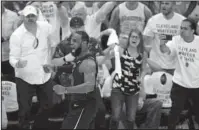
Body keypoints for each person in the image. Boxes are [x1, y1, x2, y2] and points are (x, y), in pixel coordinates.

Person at [9, 5, 57, 129]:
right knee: (24, 109)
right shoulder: (16, 35)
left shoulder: (46, 27)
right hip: (25, 76)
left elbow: (53, 44)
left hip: (43, 74)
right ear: (23, 18)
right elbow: (12, 57)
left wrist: (49, 61)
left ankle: (38, 127)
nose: (31, 18)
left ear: (36, 16)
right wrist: (17, 63)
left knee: (48, 105)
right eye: (28, 16)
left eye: (32, 16)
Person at [48, 31, 98, 129]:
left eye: (75, 41)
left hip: (85, 104)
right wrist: (55, 68)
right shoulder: (80, 58)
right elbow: (75, 68)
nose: (71, 44)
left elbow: (89, 86)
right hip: (78, 102)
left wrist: (65, 90)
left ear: (84, 43)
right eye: (71, 41)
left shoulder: (88, 62)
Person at [101, 28, 147, 129]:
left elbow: (144, 69)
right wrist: (110, 49)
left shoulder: (142, 55)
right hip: (118, 87)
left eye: (137, 37)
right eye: (132, 36)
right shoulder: (121, 51)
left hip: (133, 89)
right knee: (116, 116)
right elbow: (105, 55)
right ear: (129, 39)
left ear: (140, 40)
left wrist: (141, 77)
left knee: (131, 118)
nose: (134, 39)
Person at [160, 18, 199, 129]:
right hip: (179, 82)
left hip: (196, 84)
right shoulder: (176, 40)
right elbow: (166, 50)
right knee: (175, 110)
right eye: (181, 28)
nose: (181, 30)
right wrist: (162, 45)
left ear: (193, 31)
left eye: (185, 28)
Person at [143, 1, 186, 75]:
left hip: (175, 67)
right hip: (156, 66)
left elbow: (186, 42)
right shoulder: (153, 20)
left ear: (173, 5)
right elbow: (145, 42)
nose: (163, 6)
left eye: (167, 3)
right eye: (162, 3)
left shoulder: (182, 21)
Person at [2, 2, 20, 76]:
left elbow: (18, 34)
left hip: (9, 55)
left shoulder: (13, 15)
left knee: (10, 79)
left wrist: (5, 38)